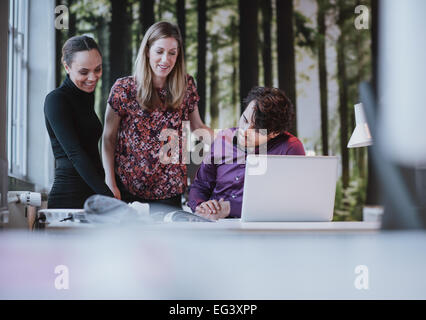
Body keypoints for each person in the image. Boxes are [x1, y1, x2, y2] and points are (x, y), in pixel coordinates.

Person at [103, 21, 212, 210]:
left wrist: (234, 139)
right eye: (159, 51)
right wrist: (109, 181)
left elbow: (198, 128)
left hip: (170, 191)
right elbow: (108, 138)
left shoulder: (186, 86)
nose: (165, 60)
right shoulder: (124, 89)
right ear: (147, 51)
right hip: (127, 189)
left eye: (172, 53)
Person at [188, 86, 306, 220]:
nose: (244, 131)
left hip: (263, 230)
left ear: (275, 133)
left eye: (256, 129)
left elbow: (291, 201)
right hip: (217, 226)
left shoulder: (290, 148)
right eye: (244, 120)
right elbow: (200, 186)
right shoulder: (223, 139)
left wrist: (231, 207)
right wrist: (201, 206)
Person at [44, 35, 113, 209]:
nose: (92, 78)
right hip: (68, 197)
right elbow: (75, 154)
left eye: (97, 69)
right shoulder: (56, 100)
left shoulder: (86, 96)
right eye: (84, 72)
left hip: (93, 196)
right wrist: (109, 197)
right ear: (67, 67)